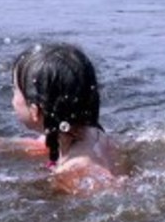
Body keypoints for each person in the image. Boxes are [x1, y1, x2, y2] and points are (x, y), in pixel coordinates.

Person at [8, 42, 128, 195]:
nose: (12, 99)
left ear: (34, 110)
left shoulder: (73, 172)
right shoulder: (94, 135)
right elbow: (41, 144)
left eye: (14, 89)